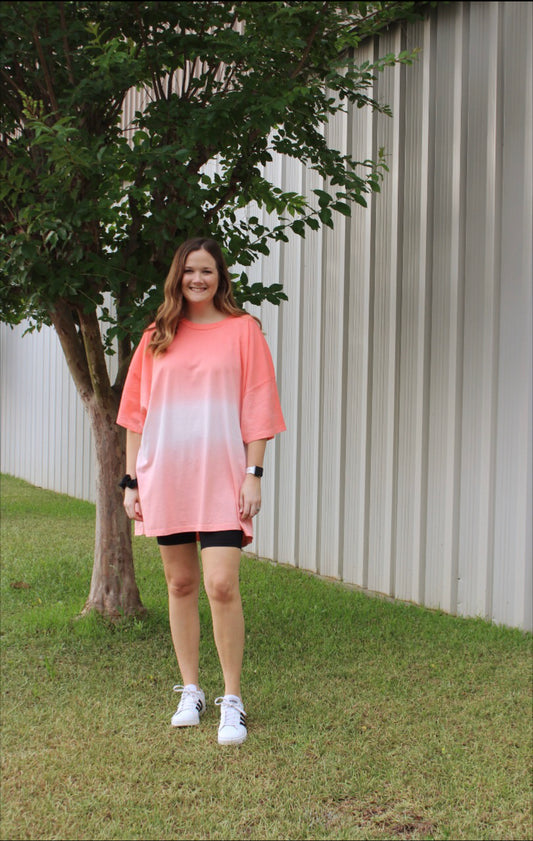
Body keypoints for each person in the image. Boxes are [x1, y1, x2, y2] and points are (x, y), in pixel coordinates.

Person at [116, 237, 285, 746]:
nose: (197, 279)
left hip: (220, 477)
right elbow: (134, 415)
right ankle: (190, 689)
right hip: (166, 474)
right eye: (189, 270)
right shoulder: (157, 334)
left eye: (207, 270)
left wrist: (253, 474)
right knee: (180, 585)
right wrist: (131, 481)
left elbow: (259, 407)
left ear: (220, 277)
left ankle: (231, 700)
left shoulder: (243, 331)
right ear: (177, 275)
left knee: (221, 585)